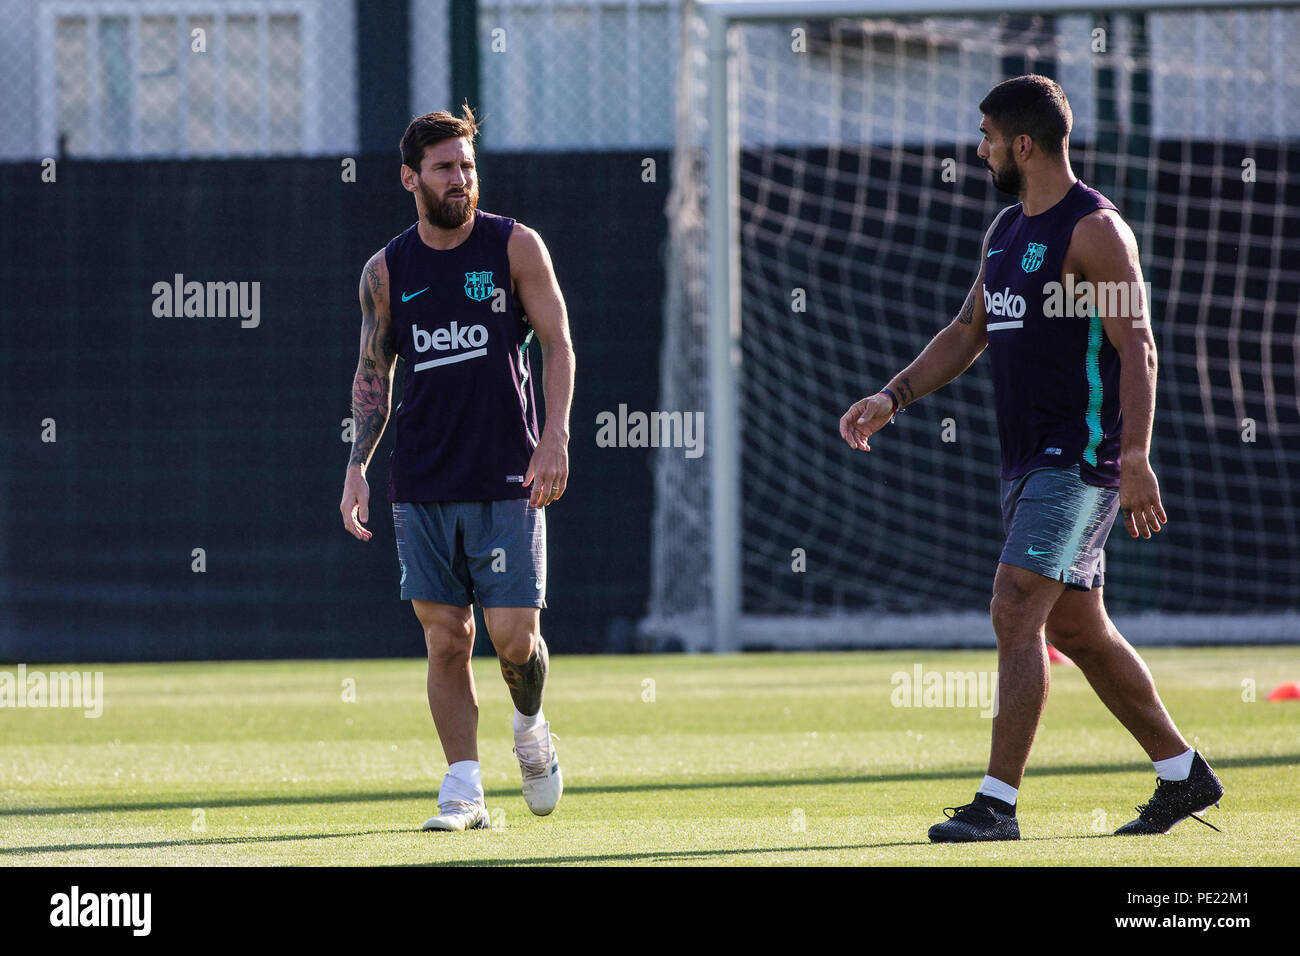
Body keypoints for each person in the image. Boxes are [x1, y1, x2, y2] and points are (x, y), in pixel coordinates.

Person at [838, 75, 1222, 842]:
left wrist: (1137, 457)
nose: (977, 149)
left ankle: (996, 806)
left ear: (1023, 143)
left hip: (1080, 458)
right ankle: (1184, 775)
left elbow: (1137, 345)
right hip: (1023, 463)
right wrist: (894, 395)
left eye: (985, 136)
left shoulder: (1096, 230)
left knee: (1014, 608)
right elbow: (967, 330)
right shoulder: (1005, 231)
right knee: (1077, 629)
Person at [340, 106, 575, 832]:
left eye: (467, 165)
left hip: (508, 472)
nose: (460, 178)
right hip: (423, 478)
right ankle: (464, 788)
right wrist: (355, 469)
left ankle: (531, 728)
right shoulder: (386, 270)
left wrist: (556, 436)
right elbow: (372, 373)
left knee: (513, 639)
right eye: (444, 167)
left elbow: (559, 347)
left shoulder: (516, 246)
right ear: (411, 177)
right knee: (447, 637)